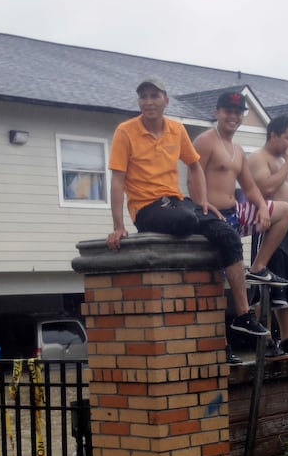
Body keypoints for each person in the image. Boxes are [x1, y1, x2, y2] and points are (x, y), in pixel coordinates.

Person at [106, 77, 272, 345]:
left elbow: (194, 166)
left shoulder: (176, 129)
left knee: (227, 233)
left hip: (176, 201)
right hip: (147, 208)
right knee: (186, 218)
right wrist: (118, 225)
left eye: (154, 96)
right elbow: (117, 179)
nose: (149, 101)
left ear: (165, 100)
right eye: (144, 96)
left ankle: (243, 314)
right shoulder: (125, 131)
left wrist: (203, 200)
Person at [195, 90, 288, 356]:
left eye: (237, 113)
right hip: (212, 216)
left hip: (235, 212)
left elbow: (249, 186)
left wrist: (261, 207)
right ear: (217, 112)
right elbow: (194, 176)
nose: (232, 117)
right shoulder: (205, 141)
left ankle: (258, 267)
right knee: (218, 279)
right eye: (228, 111)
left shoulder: (237, 150)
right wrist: (202, 203)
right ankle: (223, 344)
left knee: (283, 211)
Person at [247, 116, 288, 354]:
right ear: (273, 135)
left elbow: (280, 194)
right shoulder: (258, 158)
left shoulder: (283, 161)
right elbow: (265, 190)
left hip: (286, 229)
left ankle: (287, 337)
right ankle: (264, 339)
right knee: (266, 284)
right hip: (267, 228)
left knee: (286, 284)